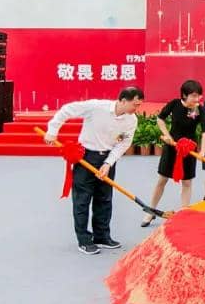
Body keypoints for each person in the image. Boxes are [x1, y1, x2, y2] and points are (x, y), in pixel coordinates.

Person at [43, 87, 143, 255]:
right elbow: (67, 110)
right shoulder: (96, 107)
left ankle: (102, 236)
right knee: (82, 200)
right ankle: (84, 240)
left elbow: (124, 143)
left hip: (107, 159)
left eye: (139, 105)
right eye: (135, 104)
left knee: (104, 199)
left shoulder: (131, 120)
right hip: (86, 157)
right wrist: (52, 131)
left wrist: (108, 163)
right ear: (123, 101)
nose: (137, 108)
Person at [142, 80, 205, 226]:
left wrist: (203, 151)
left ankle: (184, 213)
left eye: (199, 95)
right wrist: (167, 136)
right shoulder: (174, 104)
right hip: (172, 147)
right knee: (162, 180)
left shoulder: (199, 109)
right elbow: (160, 119)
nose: (197, 99)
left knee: (187, 182)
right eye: (193, 96)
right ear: (184, 95)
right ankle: (150, 211)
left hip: (188, 149)